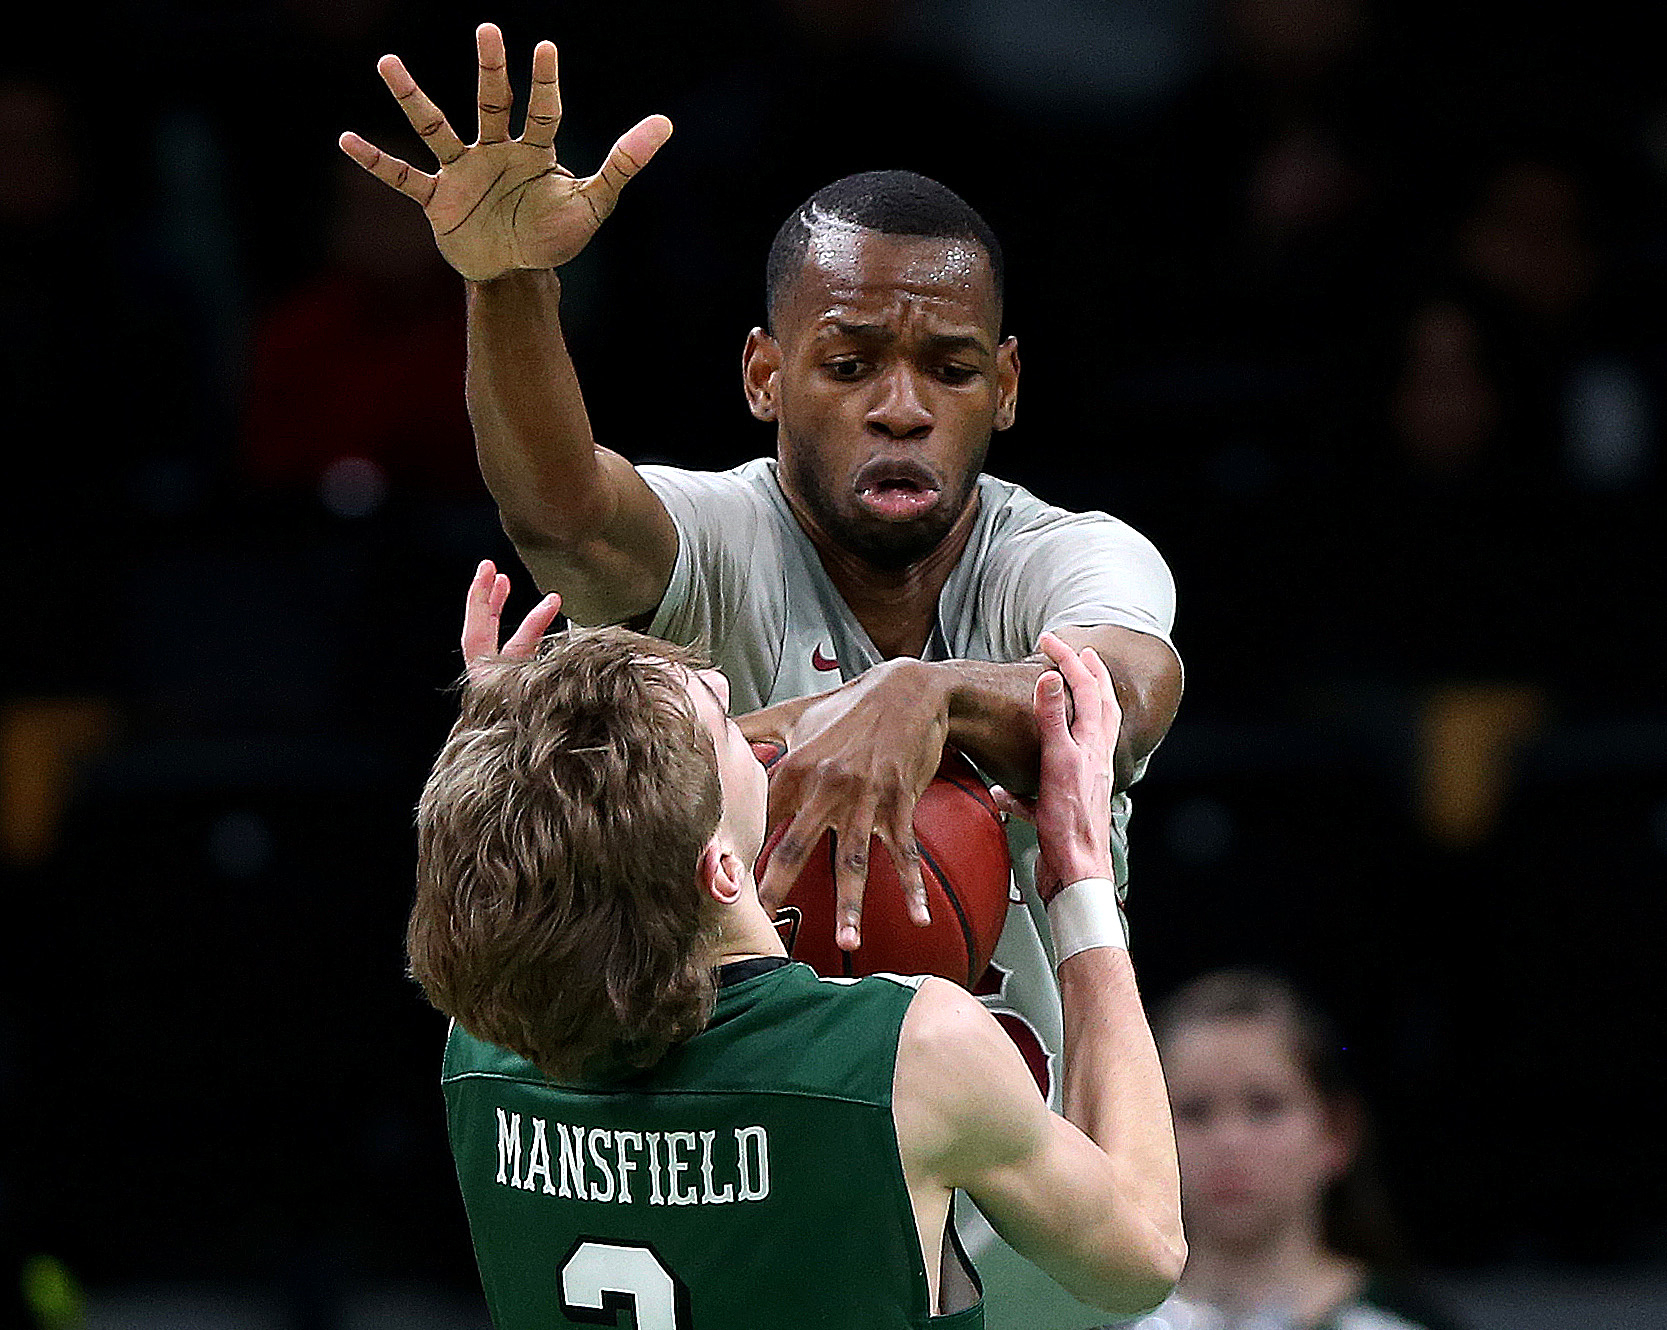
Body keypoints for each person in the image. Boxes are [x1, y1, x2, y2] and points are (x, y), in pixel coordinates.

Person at [342, 25, 1183, 1326]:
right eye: (849, 363)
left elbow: (1118, 691)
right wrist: (506, 288)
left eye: (947, 368)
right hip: (850, 1211)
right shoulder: (719, 538)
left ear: (1003, 385)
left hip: (985, 1245)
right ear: (762, 372)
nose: (899, 404)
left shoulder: (1071, 555)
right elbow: (567, 521)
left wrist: (922, 691)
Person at [409, 567, 1184, 1327]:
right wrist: (1080, 884)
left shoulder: (482, 1042)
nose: (725, 691)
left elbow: (506, 900)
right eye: (716, 726)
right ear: (718, 868)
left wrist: (504, 767)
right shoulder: (912, 1052)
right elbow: (1139, 1262)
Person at [1117, 970, 1466, 1330]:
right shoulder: (1094, 1317)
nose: (1228, 1141)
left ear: (1337, 1133)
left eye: (1264, 1106)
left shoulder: (1401, 1322)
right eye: (1194, 1111)